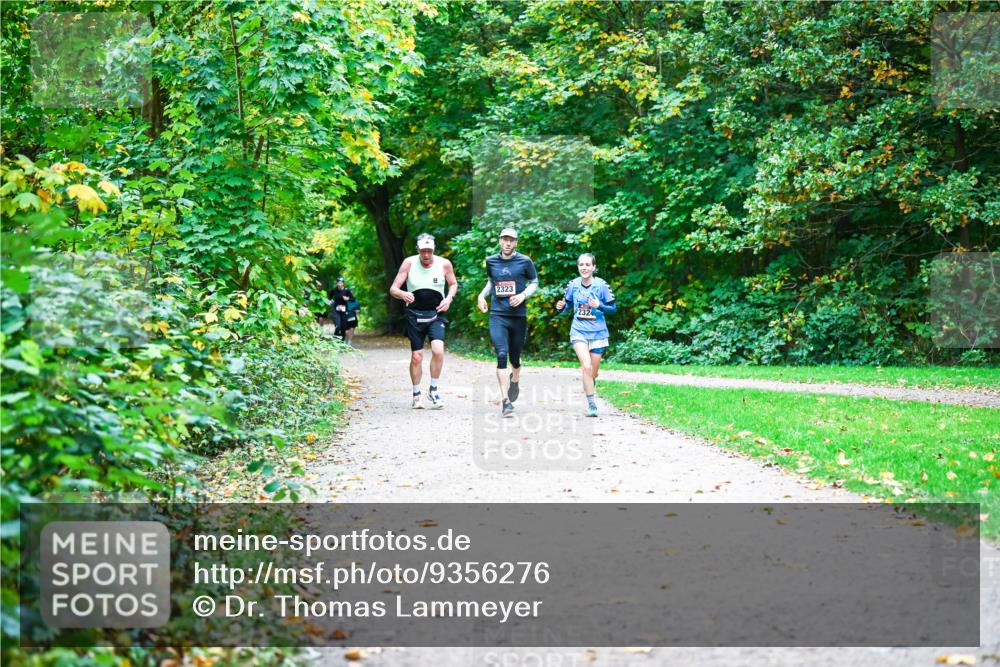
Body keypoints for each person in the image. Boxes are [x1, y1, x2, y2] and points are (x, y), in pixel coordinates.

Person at [389, 233, 458, 409]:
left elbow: (453, 284)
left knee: (438, 351)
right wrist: (402, 293)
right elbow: (393, 289)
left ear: (434, 250)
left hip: (436, 314)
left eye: (429, 251)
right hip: (414, 315)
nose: (426, 255)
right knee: (416, 356)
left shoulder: (444, 264)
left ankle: (433, 390)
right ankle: (416, 394)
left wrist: (448, 299)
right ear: (418, 250)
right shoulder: (409, 263)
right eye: (423, 251)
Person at [477, 228, 538, 417]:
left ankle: (515, 378)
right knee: (501, 354)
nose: (508, 243)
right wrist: (481, 295)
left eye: (511, 240)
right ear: (500, 241)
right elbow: (491, 282)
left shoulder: (525, 261)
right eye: (505, 239)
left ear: (516, 243)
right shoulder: (491, 261)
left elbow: (534, 282)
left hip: (518, 316)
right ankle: (505, 401)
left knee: (515, 359)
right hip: (498, 315)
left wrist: (523, 295)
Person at [556, 253, 616, 417]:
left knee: (593, 373)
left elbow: (613, 309)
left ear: (594, 267)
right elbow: (567, 305)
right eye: (581, 264)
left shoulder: (602, 285)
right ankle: (592, 405)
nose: (584, 267)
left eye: (588, 265)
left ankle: (590, 384)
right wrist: (561, 307)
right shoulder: (573, 285)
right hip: (579, 331)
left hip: (598, 333)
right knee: (586, 367)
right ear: (578, 267)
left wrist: (599, 305)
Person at [329, 277, 359, 346]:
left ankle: (342, 342)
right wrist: (330, 301)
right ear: (337, 283)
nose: (340, 284)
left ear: (343, 283)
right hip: (336, 310)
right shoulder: (334, 290)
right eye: (338, 283)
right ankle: (335, 341)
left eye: (341, 283)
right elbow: (330, 298)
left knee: (343, 327)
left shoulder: (347, 290)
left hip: (344, 311)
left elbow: (353, 299)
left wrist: (347, 298)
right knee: (338, 326)